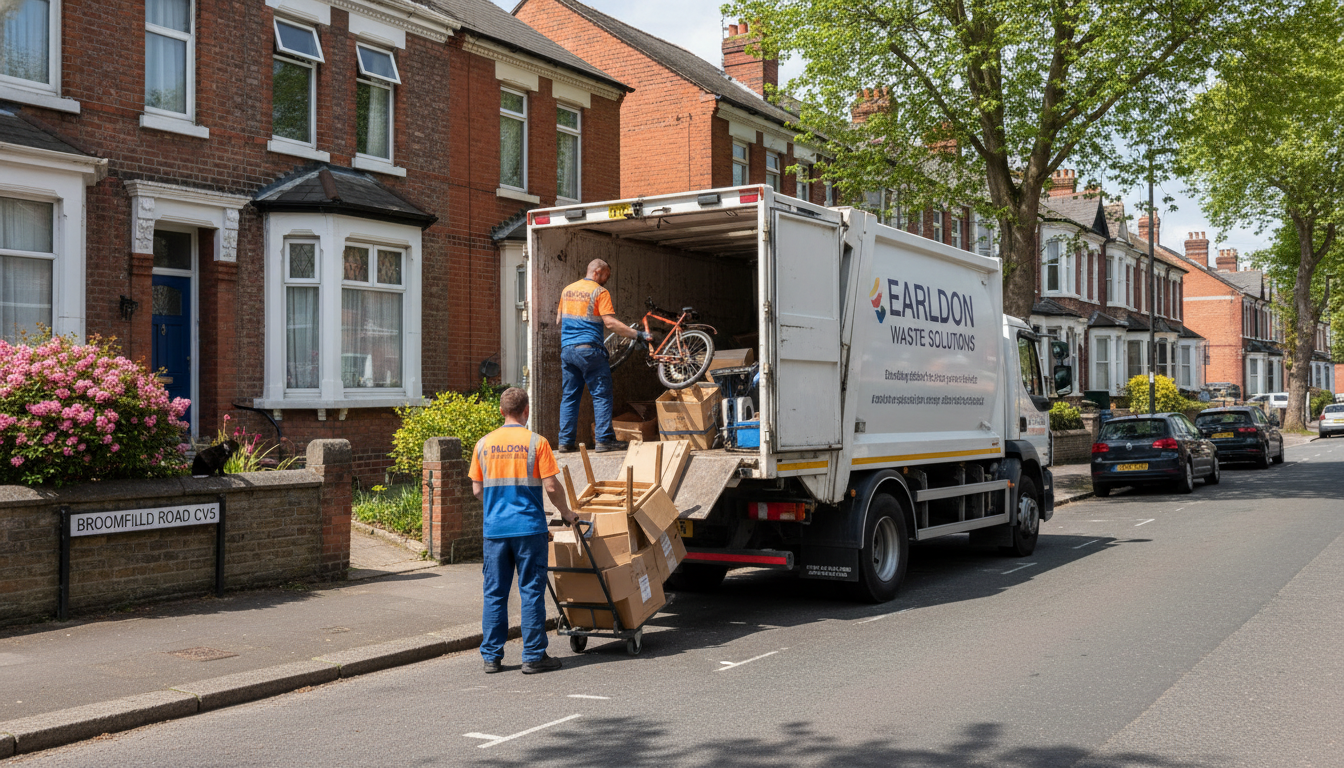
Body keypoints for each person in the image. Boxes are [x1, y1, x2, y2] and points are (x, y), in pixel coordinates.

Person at [469, 387, 579, 674]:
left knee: (495, 593)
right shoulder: (536, 443)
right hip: (529, 529)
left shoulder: (483, 444)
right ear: (526, 411)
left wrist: (499, 502)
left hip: (495, 530)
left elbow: (477, 490)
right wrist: (567, 513)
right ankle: (533, 656)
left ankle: (492, 657)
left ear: (501, 411)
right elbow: (551, 487)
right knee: (530, 591)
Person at [556, 259, 651, 453]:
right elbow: (610, 323)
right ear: (597, 272)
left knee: (570, 396)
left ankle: (565, 442)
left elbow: (559, 319)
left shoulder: (567, 290)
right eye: (607, 275)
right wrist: (638, 335)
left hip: (567, 350)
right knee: (601, 395)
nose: (607, 280)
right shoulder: (599, 292)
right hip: (589, 350)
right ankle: (604, 440)